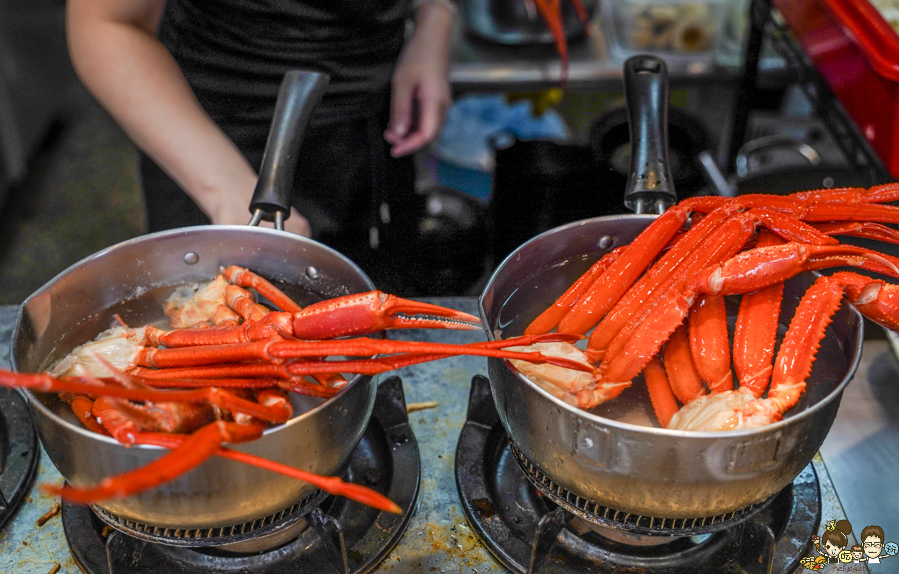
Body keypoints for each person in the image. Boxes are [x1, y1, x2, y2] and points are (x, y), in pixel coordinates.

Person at [64, 0, 455, 291]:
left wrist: (433, 17)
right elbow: (107, 24)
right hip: (214, 143)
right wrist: (227, 192)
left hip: (372, 127)